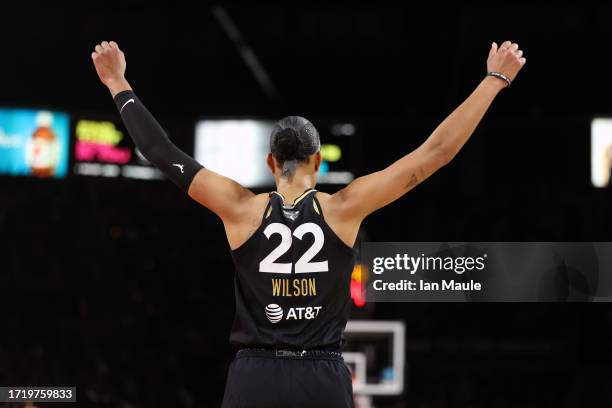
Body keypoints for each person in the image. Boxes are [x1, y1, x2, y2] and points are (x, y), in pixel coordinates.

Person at [91, 39, 526, 407]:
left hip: (254, 376)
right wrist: (494, 80)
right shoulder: (345, 208)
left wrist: (117, 82)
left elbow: (161, 152)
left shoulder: (239, 207)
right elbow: (436, 153)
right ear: (317, 161)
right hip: (322, 374)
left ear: (270, 162)